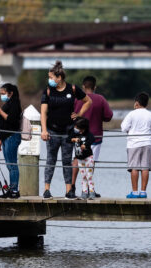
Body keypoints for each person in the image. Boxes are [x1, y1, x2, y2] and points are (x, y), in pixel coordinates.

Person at [41, 60, 92, 199]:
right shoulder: (48, 90)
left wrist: (79, 114)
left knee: (67, 160)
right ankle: (46, 190)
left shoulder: (73, 89)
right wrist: (44, 130)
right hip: (52, 131)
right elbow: (43, 112)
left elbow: (88, 101)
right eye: (49, 77)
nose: (49, 80)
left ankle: (69, 191)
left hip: (68, 131)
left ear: (59, 78)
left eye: (51, 77)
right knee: (50, 160)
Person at [71, 76, 113, 197]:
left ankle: (72, 187)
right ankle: (89, 189)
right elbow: (108, 116)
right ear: (95, 87)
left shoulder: (77, 99)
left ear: (83, 86)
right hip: (95, 137)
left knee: (76, 160)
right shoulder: (100, 99)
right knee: (90, 162)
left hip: (78, 135)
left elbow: (71, 114)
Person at [121, 92, 151, 199]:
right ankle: (143, 192)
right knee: (145, 168)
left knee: (134, 168)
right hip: (147, 143)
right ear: (146, 103)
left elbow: (123, 128)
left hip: (133, 144)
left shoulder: (131, 114)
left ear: (136, 103)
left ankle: (134, 192)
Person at [0, 83, 22, 199]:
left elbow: (12, 120)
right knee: (9, 165)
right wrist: (0, 140)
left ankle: (14, 190)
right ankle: (11, 188)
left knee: (12, 165)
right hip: (5, 138)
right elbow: (5, 123)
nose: (2, 96)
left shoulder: (15, 104)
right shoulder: (8, 103)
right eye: (0, 94)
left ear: (11, 93)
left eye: (3, 93)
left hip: (12, 137)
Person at [67, 117, 96, 200]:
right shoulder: (75, 134)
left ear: (83, 128)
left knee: (89, 175)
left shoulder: (88, 134)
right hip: (80, 159)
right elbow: (68, 139)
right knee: (83, 176)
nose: (76, 129)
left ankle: (91, 191)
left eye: (78, 128)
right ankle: (84, 192)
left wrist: (85, 145)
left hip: (88, 158)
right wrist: (73, 139)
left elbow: (92, 139)